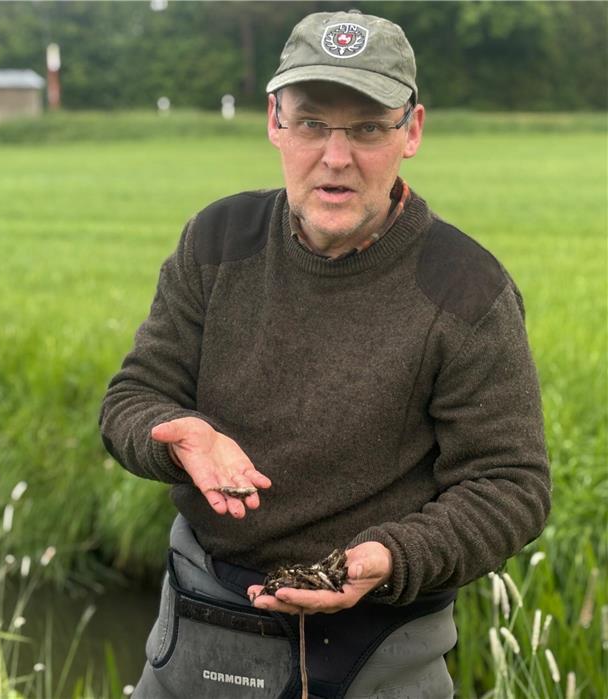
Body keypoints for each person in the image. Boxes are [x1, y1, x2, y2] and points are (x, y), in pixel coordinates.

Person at [100, 9, 550, 698]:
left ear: (412, 131)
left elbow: (511, 484)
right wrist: (180, 436)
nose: (336, 157)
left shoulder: (467, 290)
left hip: (378, 646)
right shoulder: (219, 241)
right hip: (200, 625)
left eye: (368, 127)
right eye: (311, 123)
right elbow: (132, 397)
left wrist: (390, 557)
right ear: (275, 123)